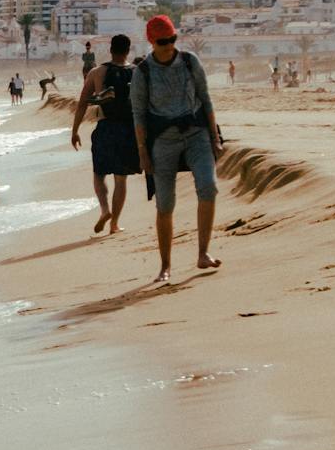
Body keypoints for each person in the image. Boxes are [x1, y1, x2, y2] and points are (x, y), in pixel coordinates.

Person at [135, 15, 223, 285]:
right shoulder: (143, 72)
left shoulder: (189, 61)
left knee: (209, 187)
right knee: (165, 203)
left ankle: (203, 253)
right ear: (152, 42)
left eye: (172, 39)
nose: (168, 46)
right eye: (163, 42)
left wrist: (215, 137)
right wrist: (143, 153)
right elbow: (138, 114)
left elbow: (205, 99)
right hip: (163, 140)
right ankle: (165, 266)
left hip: (196, 133)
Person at [70, 34, 140, 235]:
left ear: (110, 49)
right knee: (121, 178)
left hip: (105, 128)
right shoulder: (136, 73)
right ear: (128, 50)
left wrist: (74, 131)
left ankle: (104, 209)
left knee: (99, 174)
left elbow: (83, 103)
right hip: (128, 130)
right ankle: (115, 224)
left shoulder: (97, 72)